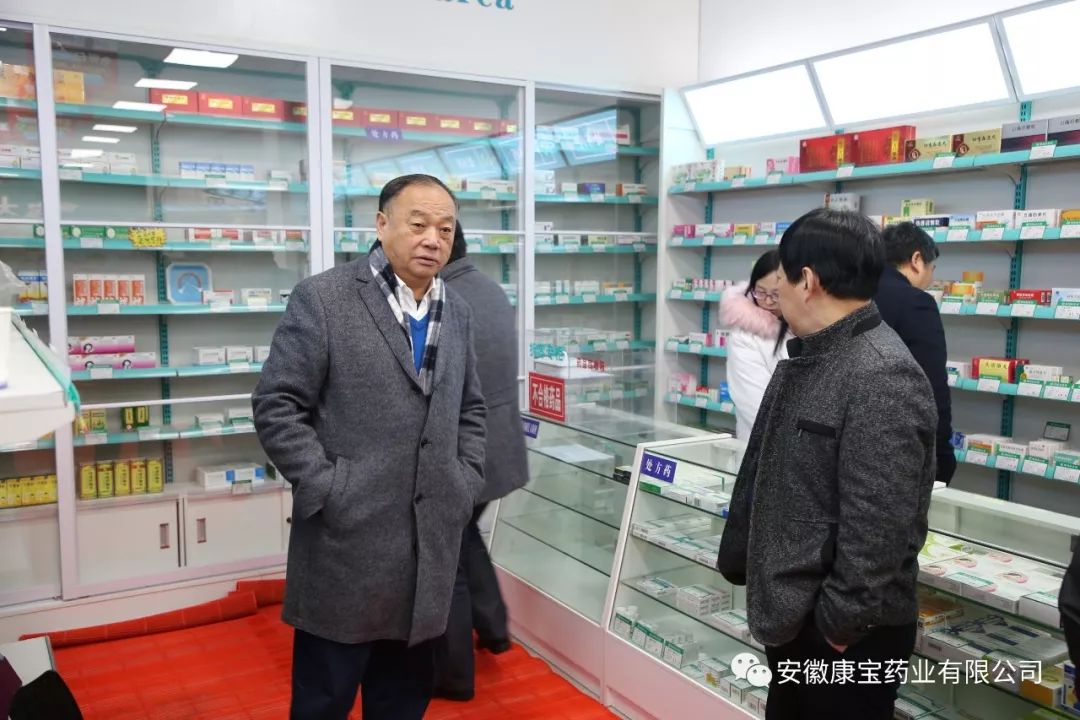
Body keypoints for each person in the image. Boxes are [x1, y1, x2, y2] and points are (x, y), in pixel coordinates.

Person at [252, 174, 487, 720]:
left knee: (402, 701)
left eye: (445, 229)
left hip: (427, 553)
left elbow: (471, 408)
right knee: (324, 701)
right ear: (381, 225)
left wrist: (465, 480)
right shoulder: (325, 298)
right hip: (345, 546)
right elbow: (277, 404)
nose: (433, 239)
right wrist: (327, 486)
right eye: (418, 224)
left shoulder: (457, 310)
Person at [716, 208, 937, 720]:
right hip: (798, 618)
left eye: (780, 279)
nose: (774, 293)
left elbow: (880, 525)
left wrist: (837, 625)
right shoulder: (813, 353)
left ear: (808, 280)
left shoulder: (881, 373)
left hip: (843, 638)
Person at [434, 223, 530, 700]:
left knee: (445, 560)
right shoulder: (488, 287)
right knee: (464, 536)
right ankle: (494, 628)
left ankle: (453, 675)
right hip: (499, 449)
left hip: (465, 453)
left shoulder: (444, 299)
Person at [875, 221, 956, 485]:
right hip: (898, 449)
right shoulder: (915, 302)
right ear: (917, 260)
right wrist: (941, 453)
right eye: (932, 269)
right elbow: (931, 385)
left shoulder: (854, 293)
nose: (930, 279)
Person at [720, 250, 791, 438]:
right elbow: (757, 409)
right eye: (760, 292)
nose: (767, 302)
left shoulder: (802, 327)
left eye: (776, 295)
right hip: (763, 442)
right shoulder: (745, 335)